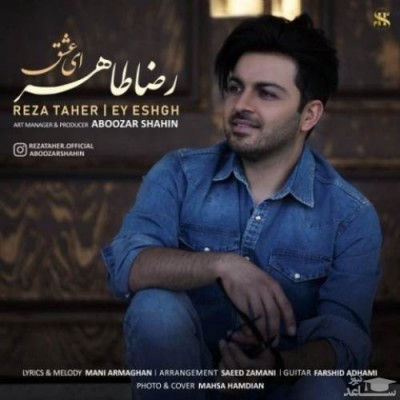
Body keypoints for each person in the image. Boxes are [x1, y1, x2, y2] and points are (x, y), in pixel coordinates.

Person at [102, 13, 382, 400]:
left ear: (309, 114)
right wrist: (222, 265)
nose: (240, 105)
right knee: (154, 307)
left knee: (327, 382)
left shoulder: (350, 216)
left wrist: (277, 365)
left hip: (283, 385)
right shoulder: (179, 174)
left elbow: (347, 344)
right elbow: (125, 264)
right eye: (235, 88)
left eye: (266, 93)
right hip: (192, 384)